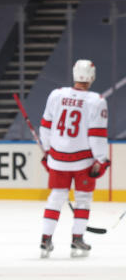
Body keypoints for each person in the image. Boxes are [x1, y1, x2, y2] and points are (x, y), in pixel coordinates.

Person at [38, 59, 109, 258]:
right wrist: (101, 159)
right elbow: (96, 134)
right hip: (83, 160)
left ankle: (45, 239)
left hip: (58, 158)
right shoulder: (97, 100)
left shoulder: (56, 94)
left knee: (55, 198)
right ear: (92, 77)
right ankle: (77, 237)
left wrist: (48, 152)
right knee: (83, 200)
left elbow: (45, 127)